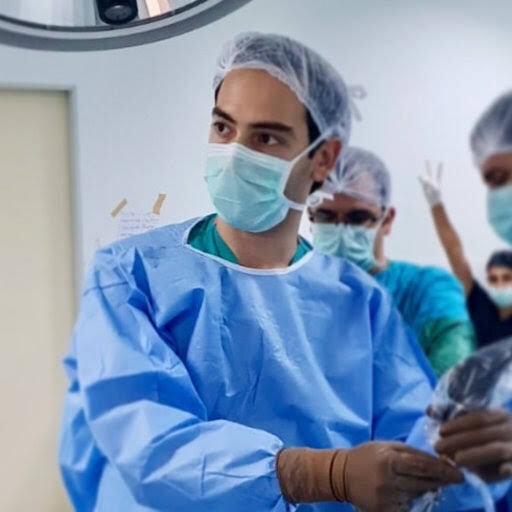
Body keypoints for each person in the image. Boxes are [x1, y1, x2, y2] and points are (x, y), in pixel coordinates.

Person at [59, 33, 512, 512]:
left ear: (323, 159)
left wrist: (469, 459)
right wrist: (315, 474)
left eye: (266, 138)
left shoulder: (359, 302)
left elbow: (413, 448)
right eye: (223, 127)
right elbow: (145, 441)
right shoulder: (129, 276)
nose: (235, 153)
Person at [309, 146, 475, 377]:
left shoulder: (426, 290)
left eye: (358, 217)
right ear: (310, 216)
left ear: (386, 220)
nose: (340, 229)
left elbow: (455, 379)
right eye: (325, 216)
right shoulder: (298, 294)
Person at [419, 91, 512, 347]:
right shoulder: (482, 310)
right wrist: (435, 204)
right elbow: (454, 252)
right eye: (494, 279)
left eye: (506, 279)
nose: (500, 286)